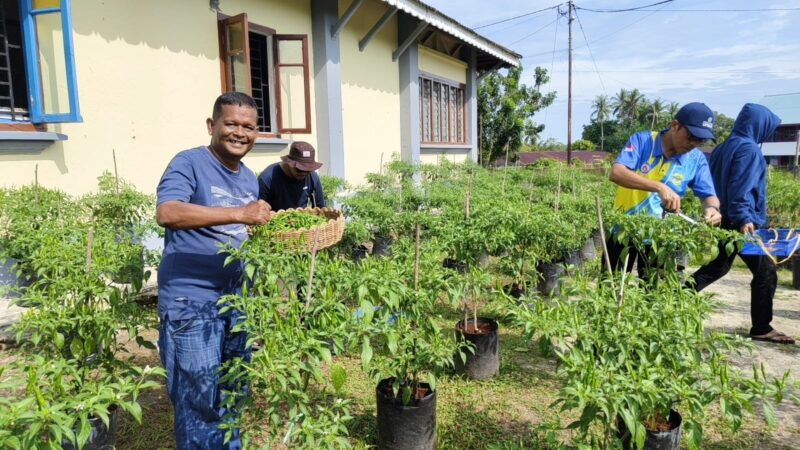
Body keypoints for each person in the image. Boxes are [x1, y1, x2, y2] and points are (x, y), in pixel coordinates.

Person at [155, 92, 271, 449]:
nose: (240, 133)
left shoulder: (249, 178)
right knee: (198, 396)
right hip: (192, 301)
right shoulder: (189, 163)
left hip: (236, 300)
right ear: (212, 125)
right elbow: (168, 212)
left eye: (248, 127)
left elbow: (241, 233)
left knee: (235, 385)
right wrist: (240, 214)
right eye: (231, 124)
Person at [691, 103, 794, 344]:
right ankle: (761, 327)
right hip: (741, 220)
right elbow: (741, 187)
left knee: (719, 266)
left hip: (723, 216)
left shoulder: (723, 148)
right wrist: (745, 217)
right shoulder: (748, 149)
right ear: (760, 125)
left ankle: (673, 295)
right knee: (766, 271)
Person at [607, 102, 722, 276]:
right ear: (675, 125)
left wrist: (712, 209)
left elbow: (708, 195)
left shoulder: (696, 159)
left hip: (662, 236)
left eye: (701, 140)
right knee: (612, 287)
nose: (694, 144)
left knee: (655, 293)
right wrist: (659, 187)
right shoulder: (643, 141)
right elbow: (617, 172)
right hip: (623, 229)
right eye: (691, 136)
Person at [258, 141, 326, 211]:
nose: (304, 173)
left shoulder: (312, 176)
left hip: (301, 219)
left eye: (308, 170)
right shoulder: (268, 178)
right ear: (289, 163)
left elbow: (320, 208)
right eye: (300, 169)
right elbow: (259, 210)